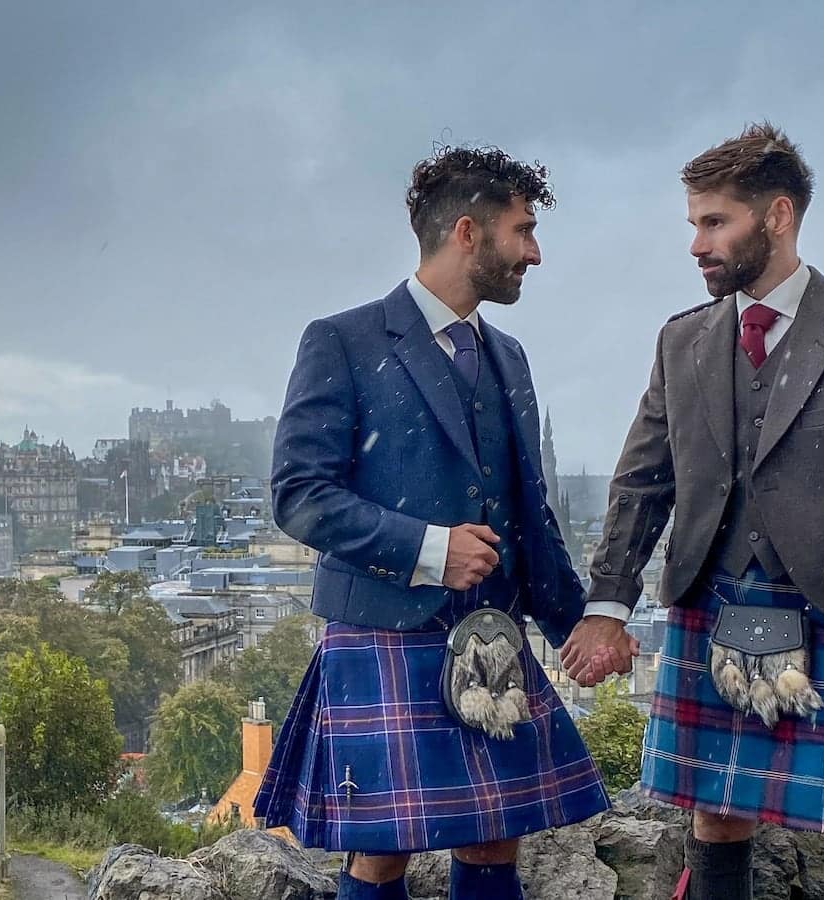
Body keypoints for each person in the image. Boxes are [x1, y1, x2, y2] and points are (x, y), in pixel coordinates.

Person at [584, 123, 824, 900]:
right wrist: (607, 603)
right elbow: (642, 481)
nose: (697, 243)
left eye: (714, 221)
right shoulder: (683, 340)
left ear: (778, 216)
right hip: (715, 599)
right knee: (715, 814)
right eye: (693, 223)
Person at [253, 144, 636, 900]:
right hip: (387, 625)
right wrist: (430, 548)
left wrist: (582, 625)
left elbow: (531, 515)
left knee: (498, 838)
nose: (535, 252)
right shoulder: (345, 340)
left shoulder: (509, 356)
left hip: (491, 630)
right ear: (468, 232)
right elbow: (298, 492)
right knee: (382, 852)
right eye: (523, 231)